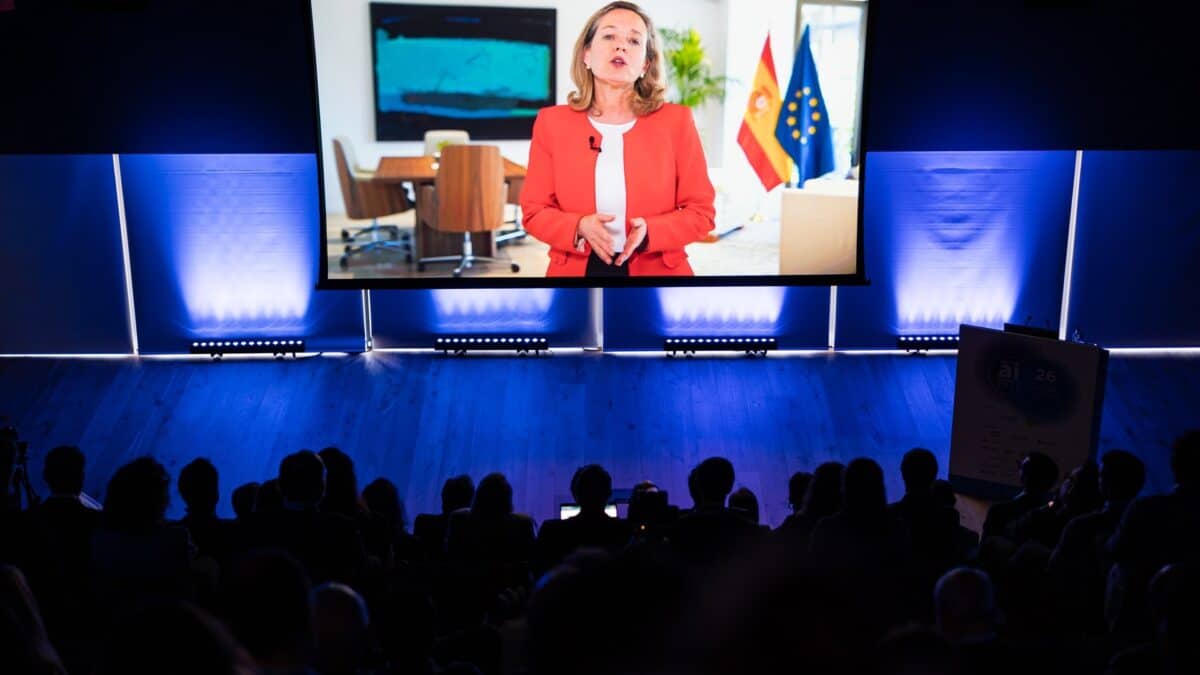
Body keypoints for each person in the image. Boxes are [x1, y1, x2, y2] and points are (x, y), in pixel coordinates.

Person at [520, 1, 715, 277]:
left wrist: (652, 231)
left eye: (634, 41)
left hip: (657, 271)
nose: (621, 46)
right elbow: (533, 212)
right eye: (609, 36)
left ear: (646, 64)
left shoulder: (676, 121)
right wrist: (577, 226)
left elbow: (701, 213)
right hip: (575, 271)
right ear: (586, 54)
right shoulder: (551, 122)